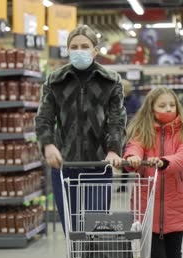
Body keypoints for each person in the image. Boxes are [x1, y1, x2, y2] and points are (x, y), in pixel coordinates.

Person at [35, 25, 126, 232]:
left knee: (97, 227)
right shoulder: (55, 80)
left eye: (85, 46)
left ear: (95, 50)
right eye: (74, 46)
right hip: (64, 164)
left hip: (98, 163)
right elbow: (44, 117)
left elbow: (117, 119)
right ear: (67, 50)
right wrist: (48, 145)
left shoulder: (111, 81)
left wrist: (113, 149)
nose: (79, 50)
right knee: (72, 229)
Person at [124, 87, 183, 258]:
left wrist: (164, 161)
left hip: (176, 205)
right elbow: (135, 146)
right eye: (162, 105)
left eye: (172, 105)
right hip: (146, 205)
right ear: (151, 108)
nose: (169, 108)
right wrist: (133, 157)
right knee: (155, 257)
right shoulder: (142, 130)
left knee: (173, 256)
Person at [117, 79, 142, 192]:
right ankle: (123, 184)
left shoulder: (134, 101)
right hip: (122, 133)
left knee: (128, 157)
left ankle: (124, 184)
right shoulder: (120, 100)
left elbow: (138, 117)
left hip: (131, 134)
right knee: (125, 159)